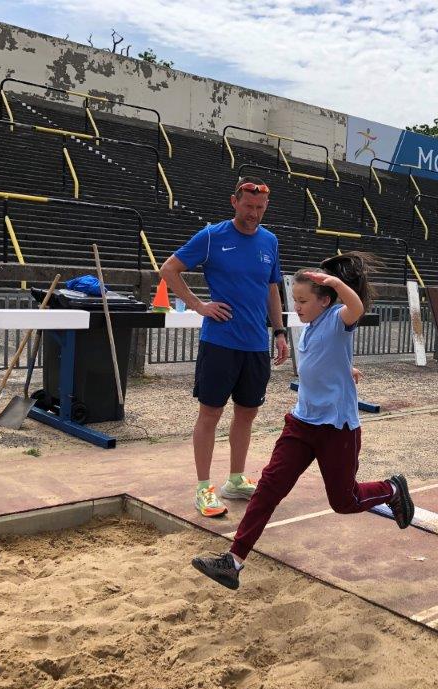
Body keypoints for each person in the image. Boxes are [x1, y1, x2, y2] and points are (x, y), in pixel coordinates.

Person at [191, 252, 415, 590]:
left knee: (345, 501)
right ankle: (233, 562)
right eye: (294, 300)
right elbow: (330, 358)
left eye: (303, 301)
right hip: (301, 423)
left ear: (325, 301)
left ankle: (393, 489)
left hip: (336, 428)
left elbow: (356, 309)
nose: (297, 307)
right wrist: (346, 368)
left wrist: (337, 283)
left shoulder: (339, 318)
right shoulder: (311, 328)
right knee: (268, 488)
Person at [160, 178, 290, 518]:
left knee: (247, 413)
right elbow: (169, 269)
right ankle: (204, 487)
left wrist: (279, 331)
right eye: (248, 206)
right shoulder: (212, 236)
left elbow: (271, 288)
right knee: (210, 414)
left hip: (254, 345)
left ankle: (235, 479)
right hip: (219, 342)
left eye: (260, 209)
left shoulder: (269, 241)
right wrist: (198, 305)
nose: (254, 214)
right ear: (234, 202)